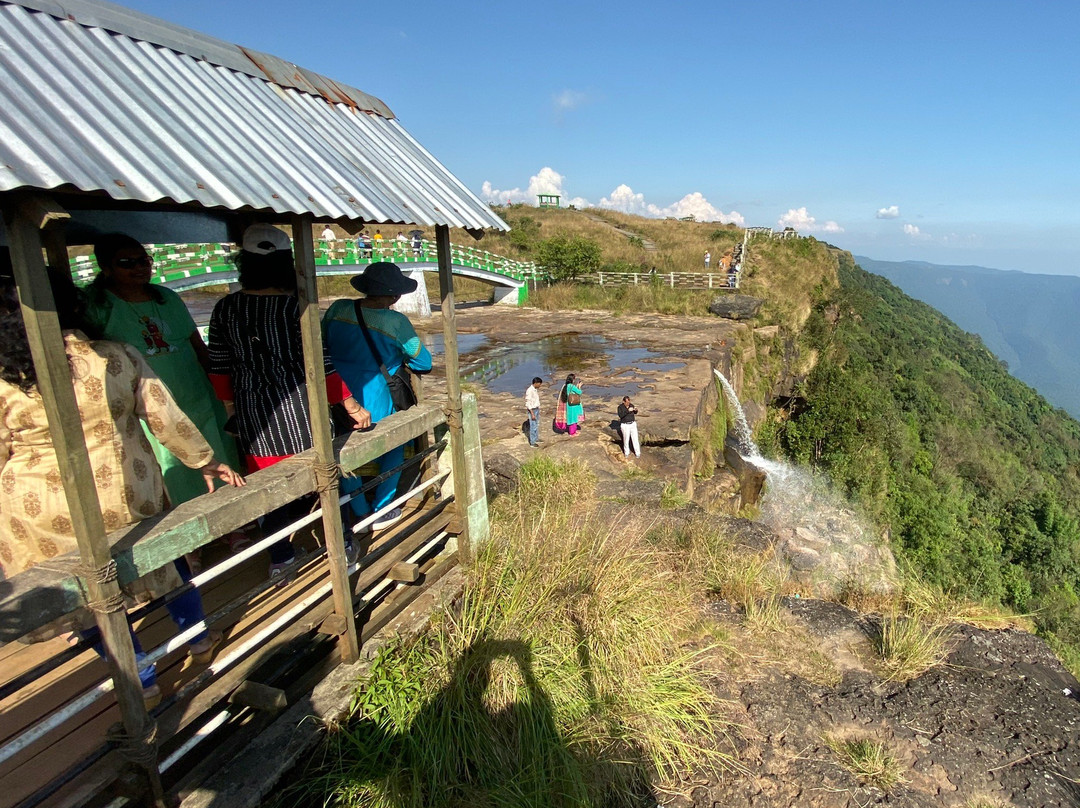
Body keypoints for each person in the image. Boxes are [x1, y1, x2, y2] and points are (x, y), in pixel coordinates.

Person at [0, 260, 244, 704]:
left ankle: (142, 679)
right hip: (122, 484)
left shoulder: (5, 375)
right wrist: (207, 461)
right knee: (161, 563)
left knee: (85, 595)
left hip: (37, 502)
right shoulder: (113, 355)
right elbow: (164, 417)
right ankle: (199, 639)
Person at [208, 225, 370, 581]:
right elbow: (322, 366)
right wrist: (352, 405)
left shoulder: (225, 309)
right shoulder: (295, 308)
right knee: (325, 480)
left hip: (255, 418)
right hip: (301, 413)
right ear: (287, 264)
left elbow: (219, 368)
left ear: (244, 263)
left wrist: (233, 413)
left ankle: (281, 558)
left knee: (269, 493)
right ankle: (341, 545)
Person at [83, 234, 242, 561]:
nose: (139, 268)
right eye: (127, 263)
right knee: (169, 467)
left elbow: (196, 344)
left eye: (144, 260)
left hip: (195, 392)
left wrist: (222, 386)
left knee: (216, 454)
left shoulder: (167, 298)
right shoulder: (97, 306)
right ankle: (189, 543)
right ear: (106, 267)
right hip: (144, 404)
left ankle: (233, 526)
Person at [323, 263, 432, 529]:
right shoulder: (395, 321)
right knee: (390, 444)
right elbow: (422, 361)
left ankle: (358, 508)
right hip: (377, 394)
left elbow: (321, 341)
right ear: (394, 296)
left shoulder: (338, 309)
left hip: (337, 392)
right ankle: (382, 508)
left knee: (343, 450)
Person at [524, 377, 543, 447]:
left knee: (536, 424)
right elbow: (528, 403)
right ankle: (532, 442)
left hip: (536, 409)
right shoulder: (529, 391)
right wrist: (532, 413)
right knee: (533, 426)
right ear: (536, 383)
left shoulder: (535, 390)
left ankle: (536, 438)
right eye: (539, 384)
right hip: (532, 410)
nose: (540, 385)